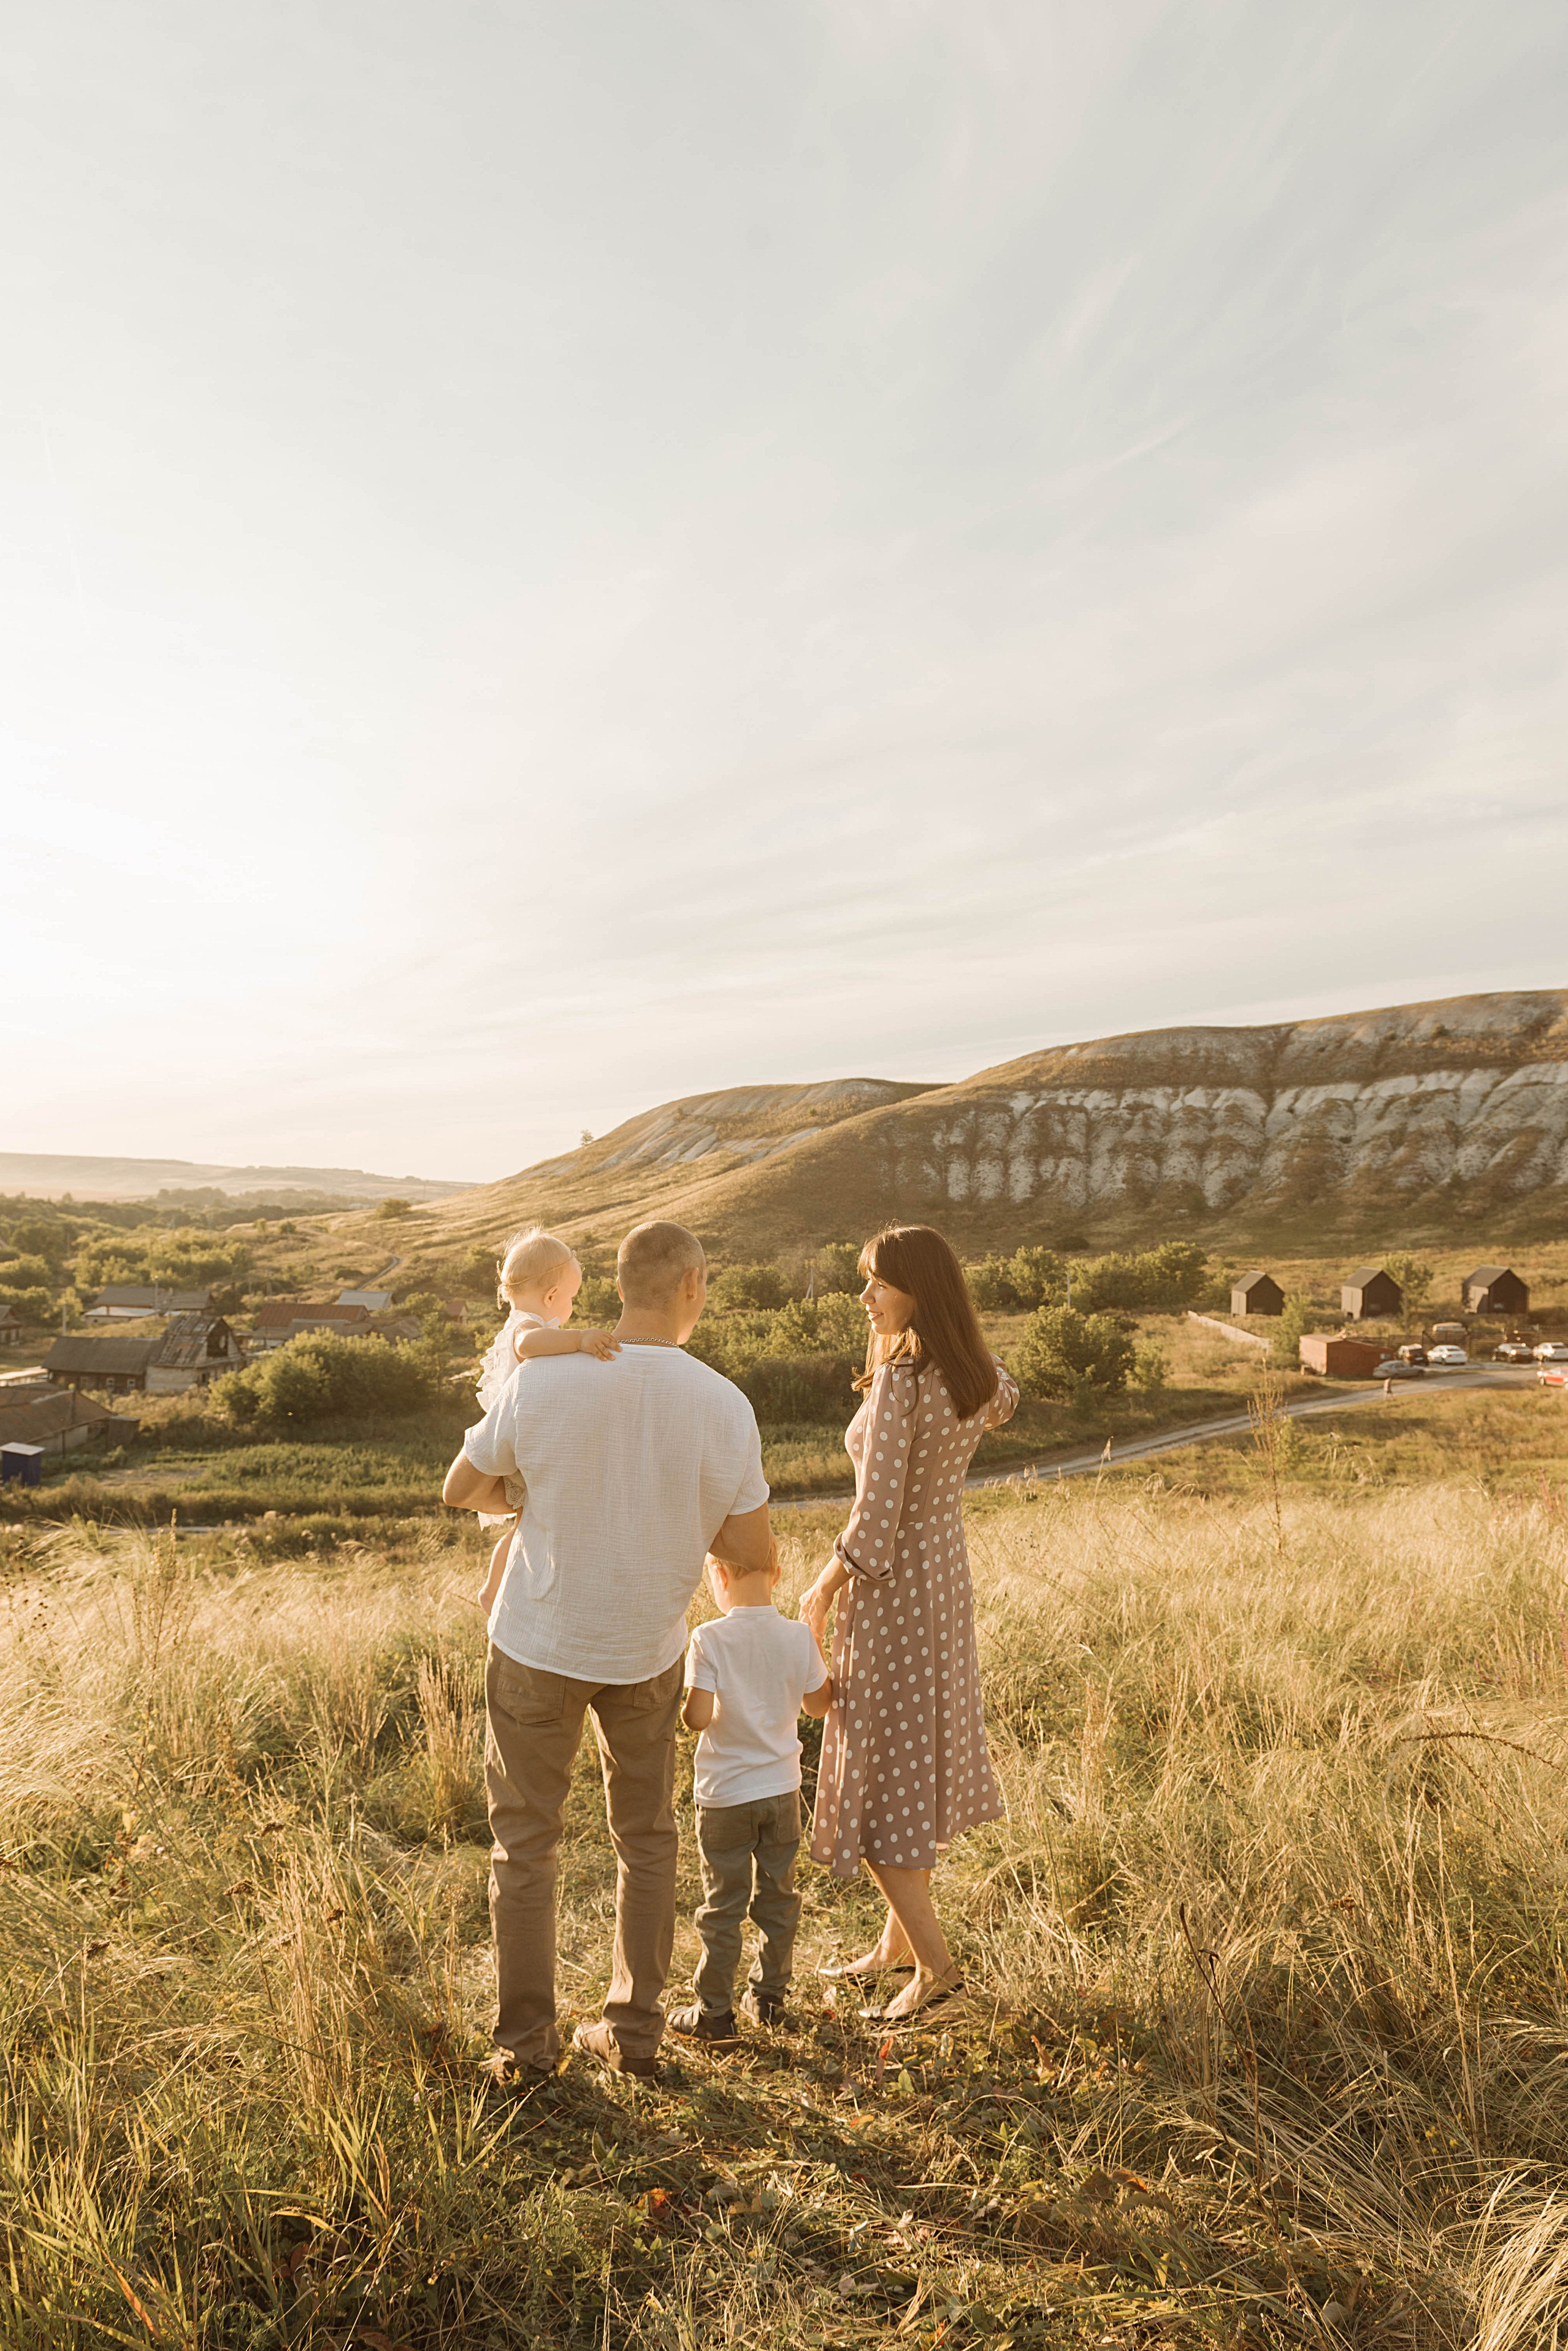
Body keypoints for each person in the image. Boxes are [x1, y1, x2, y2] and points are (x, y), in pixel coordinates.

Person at [442, 1219, 771, 2083]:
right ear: (693, 1286)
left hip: (539, 1639)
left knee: (526, 1843)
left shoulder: (545, 1380)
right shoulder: (724, 1405)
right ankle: (633, 2034)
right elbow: (751, 1550)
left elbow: (461, 1486)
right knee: (647, 1838)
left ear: (616, 1289)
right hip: (646, 1648)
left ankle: (524, 2049)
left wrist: (532, 1490)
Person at [800, 1224, 1018, 2027]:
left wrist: (819, 1590)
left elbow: (874, 1517)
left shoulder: (901, 1381)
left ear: (918, 1290)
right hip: (943, 1579)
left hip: (891, 1592)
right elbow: (1007, 1394)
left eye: (877, 1285)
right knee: (913, 1750)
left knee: (879, 1766)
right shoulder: (969, 1374)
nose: (865, 1299)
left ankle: (941, 1976)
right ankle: (894, 1948)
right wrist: (891, 1339)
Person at [668, 1545, 833, 2046]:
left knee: (723, 1905)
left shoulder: (708, 1638)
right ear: (778, 1574)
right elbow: (819, 1706)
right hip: (782, 1793)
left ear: (717, 1575)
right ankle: (768, 1998)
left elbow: (696, 1719)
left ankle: (714, 2012)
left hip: (725, 1797)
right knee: (778, 1898)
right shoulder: (798, 1635)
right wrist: (815, 1649)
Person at [472, 1227, 621, 1618]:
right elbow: (527, 1347)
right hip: (518, 1442)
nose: (572, 1305)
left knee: (526, 1521)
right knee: (525, 1523)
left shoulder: (525, 1322)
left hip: (518, 1437)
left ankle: (499, 1589)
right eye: (571, 1297)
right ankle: (492, 1590)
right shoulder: (526, 1327)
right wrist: (580, 1339)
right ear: (553, 1296)